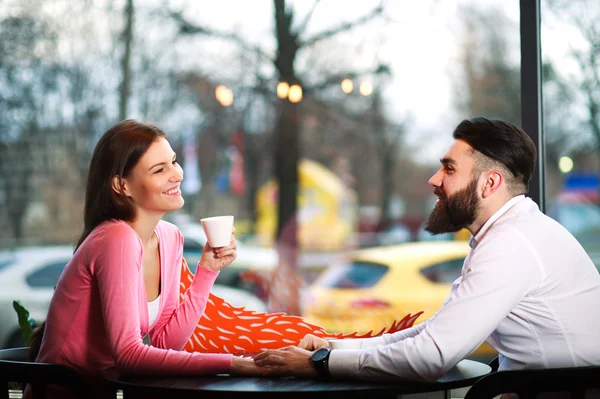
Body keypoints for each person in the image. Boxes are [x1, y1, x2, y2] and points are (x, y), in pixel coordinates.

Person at [254, 117, 600, 382]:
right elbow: (435, 332)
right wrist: (333, 347)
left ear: (490, 183)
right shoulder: (510, 234)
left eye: (449, 168)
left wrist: (320, 365)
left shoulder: (512, 244)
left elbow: (430, 356)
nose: (435, 180)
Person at [25, 120, 263, 398]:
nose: (177, 175)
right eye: (160, 170)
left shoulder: (170, 237)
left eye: (174, 162)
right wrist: (234, 364)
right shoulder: (116, 238)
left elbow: (166, 343)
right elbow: (128, 355)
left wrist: (207, 271)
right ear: (121, 185)